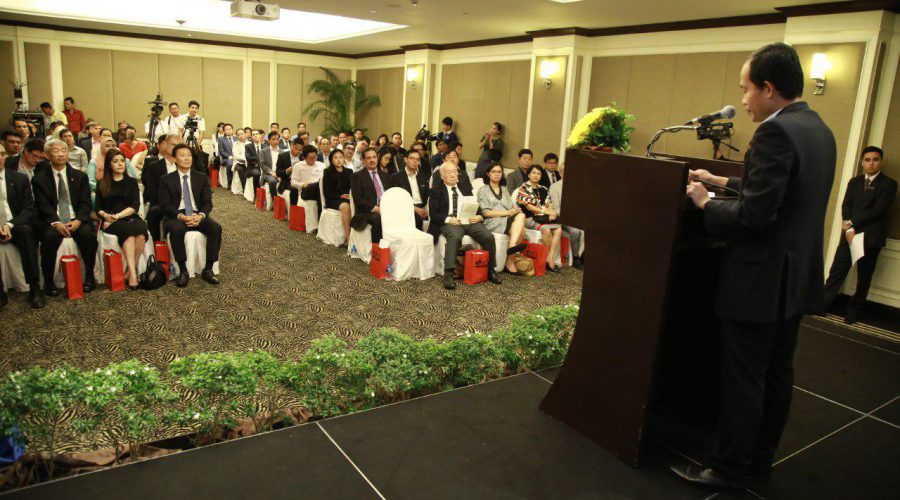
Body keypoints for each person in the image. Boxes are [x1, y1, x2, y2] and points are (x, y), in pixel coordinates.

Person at [673, 42, 837, 490]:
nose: (743, 100)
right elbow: (778, 189)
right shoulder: (817, 128)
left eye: (746, 89)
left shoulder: (773, 132)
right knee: (778, 373)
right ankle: (760, 459)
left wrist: (706, 203)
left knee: (744, 378)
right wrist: (721, 180)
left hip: (759, 279)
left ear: (768, 88)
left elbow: (755, 215)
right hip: (794, 278)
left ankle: (728, 467)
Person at [823, 146, 897, 324]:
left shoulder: (889, 184)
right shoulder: (854, 182)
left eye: (875, 159)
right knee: (837, 271)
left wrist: (851, 223)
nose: (871, 163)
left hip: (871, 237)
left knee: (864, 277)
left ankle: (854, 311)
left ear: (881, 162)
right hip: (849, 235)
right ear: (862, 162)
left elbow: (878, 211)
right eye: (867, 160)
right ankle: (823, 304)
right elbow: (846, 205)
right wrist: (848, 228)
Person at [32, 139, 98, 296]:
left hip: (76, 218)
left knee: (88, 235)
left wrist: (79, 220)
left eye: (64, 150)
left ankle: (89, 277)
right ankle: (49, 282)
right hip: (53, 220)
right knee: (49, 238)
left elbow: (85, 203)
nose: (61, 154)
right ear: (47, 155)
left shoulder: (80, 176)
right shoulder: (39, 178)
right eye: (56, 151)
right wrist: (55, 222)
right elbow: (42, 205)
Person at [428, 162, 502, 289]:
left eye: (454, 171)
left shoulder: (465, 187)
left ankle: (490, 270)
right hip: (450, 222)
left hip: (469, 220)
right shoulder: (436, 190)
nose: (453, 174)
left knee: (488, 236)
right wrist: (449, 219)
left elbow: (475, 205)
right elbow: (434, 214)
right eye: (449, 172)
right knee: (455, 237)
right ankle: (449, 274)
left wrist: (479, 216)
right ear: (442, 176)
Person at [159, 144, 221, 287]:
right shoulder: (166, 179)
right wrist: (181, 216)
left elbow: (207, 202)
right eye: (182, 155)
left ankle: (208, 269)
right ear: (174, 159)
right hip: (177, 214)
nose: (186, 158)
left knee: (216, 228)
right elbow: (165, 205)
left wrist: (201, 216)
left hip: (196, 213)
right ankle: (183, 271)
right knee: (176, 229)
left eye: (189, 155)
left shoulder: (202, 177)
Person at [94, 149, 148, 290]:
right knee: (128, 234)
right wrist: (106, 216)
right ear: (109, 164)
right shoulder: (102, 183)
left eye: (122, 161)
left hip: (128, 216)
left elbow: (135, 206)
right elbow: (98, 207)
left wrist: (118, 216)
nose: (120, 164)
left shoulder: (131, 182)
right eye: (116, 161)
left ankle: (130, 270)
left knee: (141, 232)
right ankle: (133, 276)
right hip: (110, 219)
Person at [0, 143, 46, 308]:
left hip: (14, 224)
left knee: (26, 232)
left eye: (2, 154)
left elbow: (28, 209)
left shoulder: (19, 178)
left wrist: (9, 225)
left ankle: (34, 287)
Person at [478, 162, 527, 273]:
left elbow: (511, 208)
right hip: (492, 221)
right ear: (488, 174)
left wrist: (515, 210)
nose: (496, 174)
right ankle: (511, 257)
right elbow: (485, 213)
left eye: (499, 172)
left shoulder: (504, 190)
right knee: (522, 228)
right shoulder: (483, 190)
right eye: (493, 172)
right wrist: (507, 213)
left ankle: (511, 254)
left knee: (521, 218)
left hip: (506, 220)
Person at [515, 164, 563, 272]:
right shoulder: (523, 188)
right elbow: (529, 207)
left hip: (542, 218)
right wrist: (546, 211)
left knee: (559, 229)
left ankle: (549, 258)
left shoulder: (543, 188)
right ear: (528, 174)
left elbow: (548, 204)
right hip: (529, 219)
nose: (536, 175)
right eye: (533, 173)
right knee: (546, 230)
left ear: (541, 176)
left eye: (539, 173)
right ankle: (549, 260)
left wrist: (551, 213)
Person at [142, 134, 180, 241]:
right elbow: (152, 192)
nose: (176, 148)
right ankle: (157, 244)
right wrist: (169, 204)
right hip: (161, 204)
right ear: (165, 145)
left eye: (178, 145)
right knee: (154, 212)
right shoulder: (154, 166)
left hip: (182, 203)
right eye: (173, 145)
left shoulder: (184, 165)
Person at [350, 147, 390, 244]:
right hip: (366, 212)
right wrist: (376, 208)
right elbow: (358, 200)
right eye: (368, 158)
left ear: (377, 158)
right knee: (378, 218)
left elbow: (390, 193)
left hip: (386, 208)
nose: (372, 160)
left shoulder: (385, 175)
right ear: (363, 161)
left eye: (374, 157)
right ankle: (377, 248)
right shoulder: (357, 176)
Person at [547, 163, 583, 269]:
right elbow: (556, 208)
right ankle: (576, 258)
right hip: (562, 218)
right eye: (564, 171)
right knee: (576, 231)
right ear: (560, 173)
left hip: (577, 217)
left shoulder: (578, 187)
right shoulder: (555, 187)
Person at [391, 149, 430, 230]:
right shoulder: (396, 177)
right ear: (405, 159)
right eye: (412, 158)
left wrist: (427, 207)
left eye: (417, 159)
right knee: (417, 220)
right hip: (407, 208)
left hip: (423, 208)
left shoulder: (423, 176)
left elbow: (428, 195)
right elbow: (397, 199)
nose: (415, 161)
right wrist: (413, 208)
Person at [322, 148, 353, 242]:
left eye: (341, 157)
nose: (339, 160)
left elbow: (353, 187)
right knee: (345, 207)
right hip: (333, 199)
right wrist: (340, 196)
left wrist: (349, 195)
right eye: (336, 158)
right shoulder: (328, 171)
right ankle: (349, 239)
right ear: (331, 160)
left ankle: (358, 237)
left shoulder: (349, 171)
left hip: (348, 198)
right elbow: (327, 192)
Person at [291, 144, 325, 211]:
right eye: (311, 158)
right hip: (306, 189)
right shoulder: (298, 166)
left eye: (315, 157)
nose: (313, 160)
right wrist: (303, 184)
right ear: (304, 157)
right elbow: (293, 182)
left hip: (320, 188)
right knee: (315, 186)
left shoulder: (322, 165)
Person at [258, 132, 281, 198]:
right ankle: (275, 200)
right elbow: (262, 165)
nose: (275, 141)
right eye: (273, 139)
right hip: (268, 173)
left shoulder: (282, 151)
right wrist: (272, 172)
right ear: (269, 141)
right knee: (272, 181)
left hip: (280, 173)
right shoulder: (263, 151)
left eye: (277, 139)